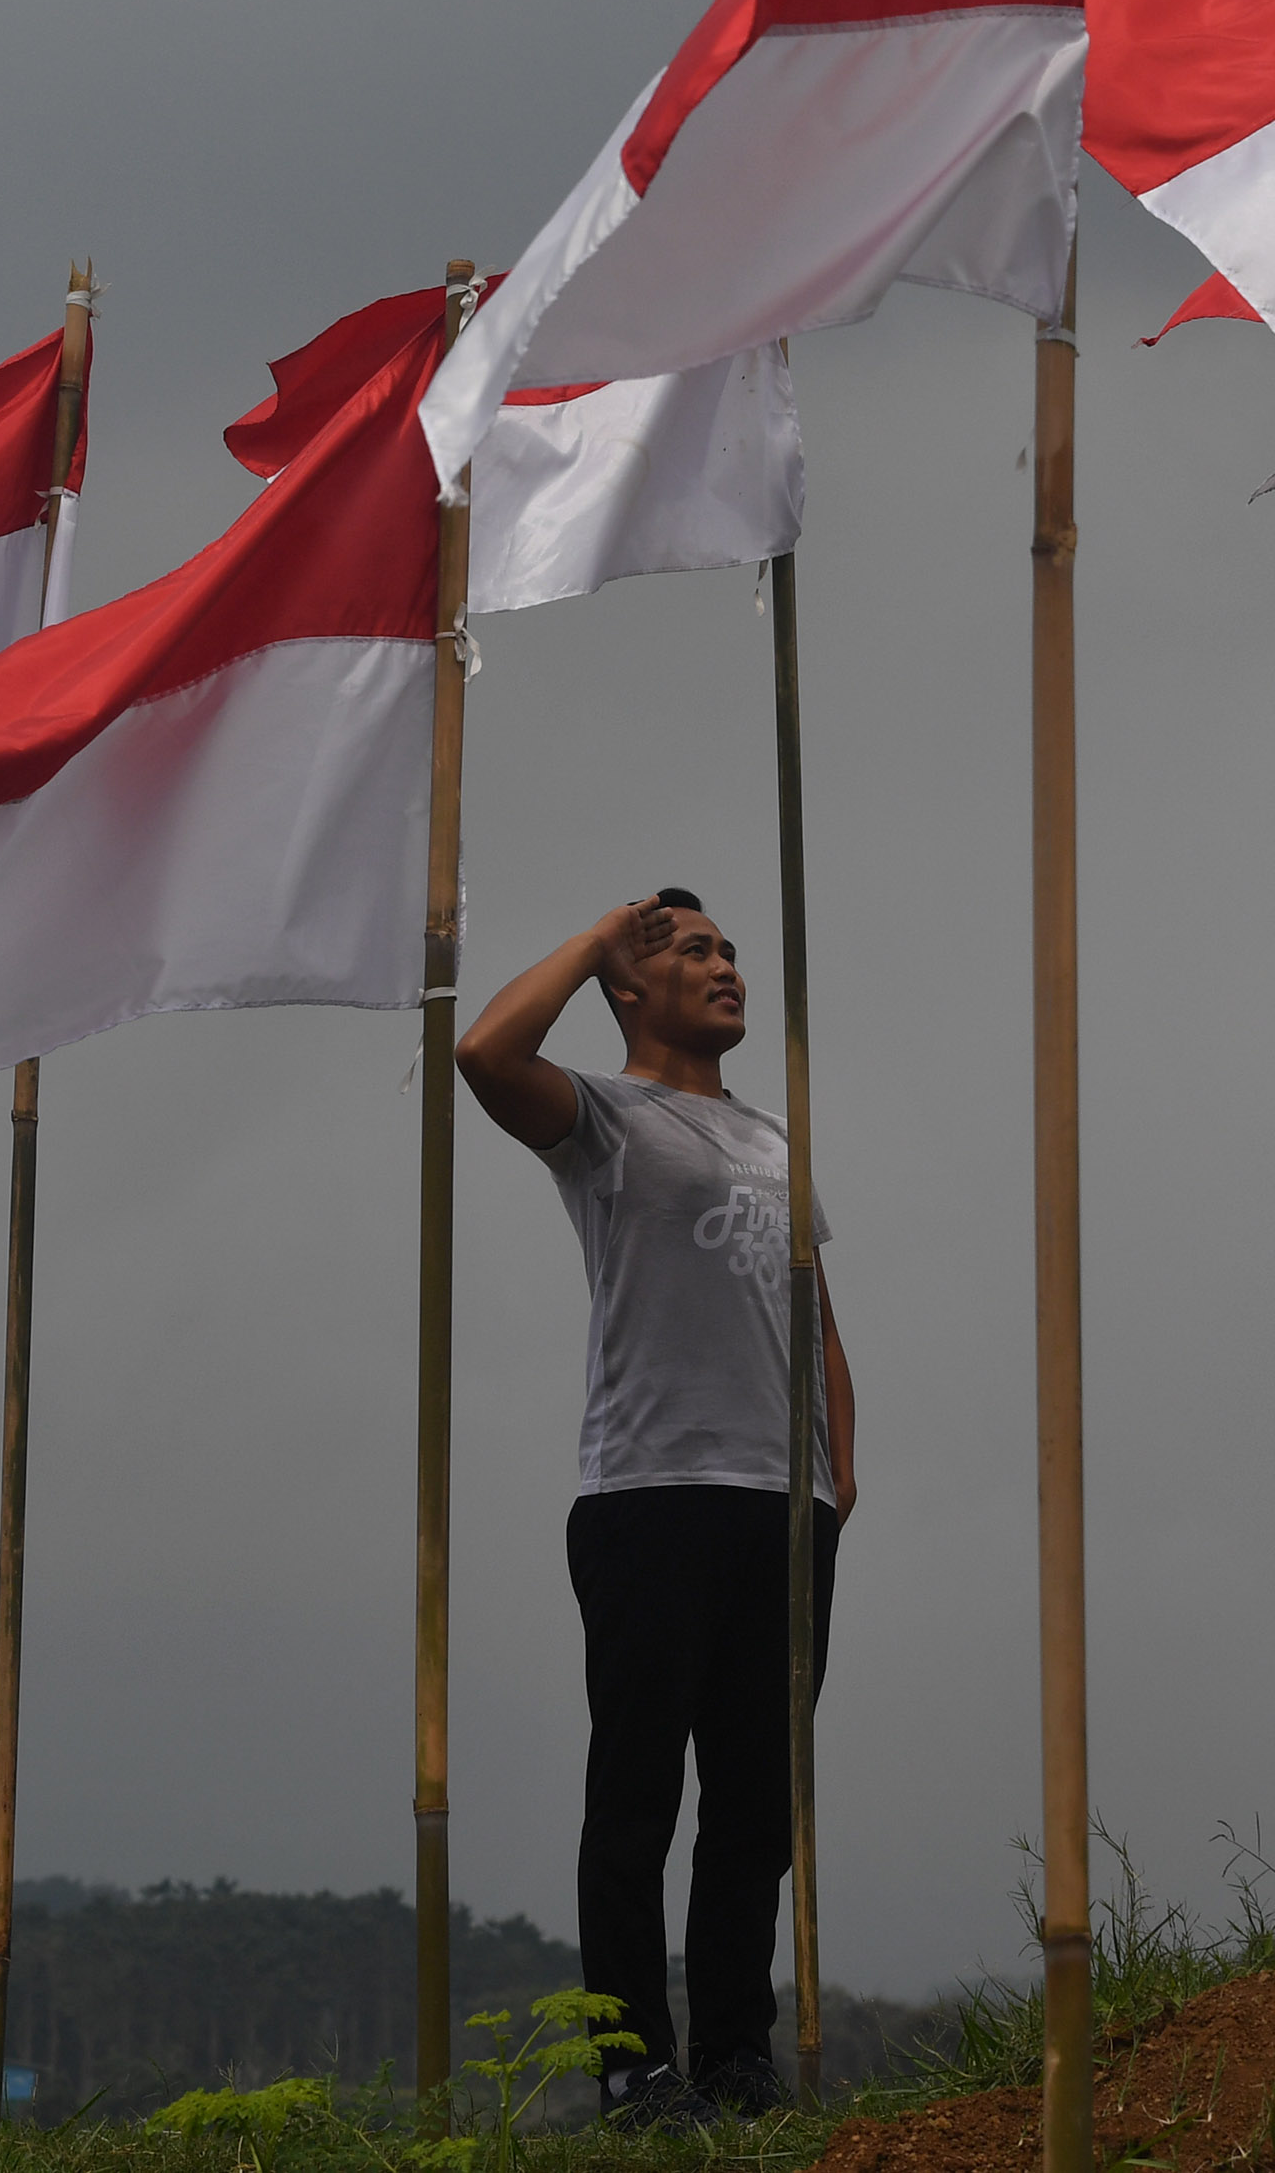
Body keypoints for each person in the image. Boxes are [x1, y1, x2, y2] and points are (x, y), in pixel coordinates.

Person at [456, 889, 856, 2123]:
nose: (725, 966)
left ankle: (738, 2057)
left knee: (755, 1804)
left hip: (781, 1504)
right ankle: (634, 2068)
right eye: (692, 952)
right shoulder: (606, 1118)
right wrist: (591, 943)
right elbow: (482, 1054)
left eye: (730, 950)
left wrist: (840, 1473)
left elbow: (815, 1314)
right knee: (638, 1798)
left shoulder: (779, 1138)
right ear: (632, 987)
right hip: (649, 1495)